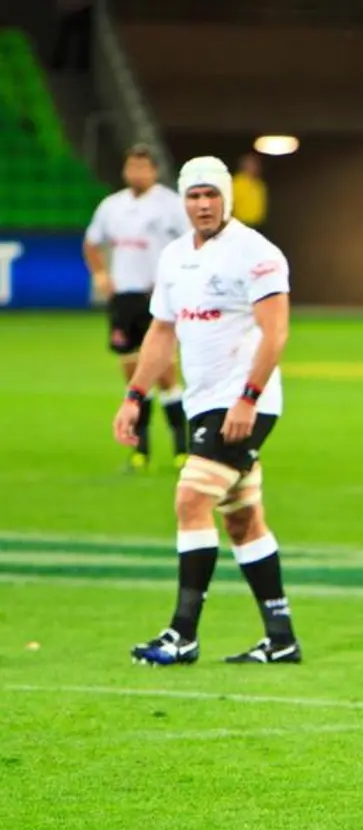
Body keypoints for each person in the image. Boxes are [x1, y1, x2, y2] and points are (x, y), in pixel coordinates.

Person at [112, 156, 302, 666]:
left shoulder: (256, 254)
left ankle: (183, 634)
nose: (202, 204)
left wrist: (248, 398)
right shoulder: (174, 257)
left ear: (227, 198)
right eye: (194, 196)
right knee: (242, 519)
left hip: (243, 403)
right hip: (203, 402)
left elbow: (276, 332)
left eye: (211, 195)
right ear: (184, 200)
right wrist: (135, 397)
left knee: (190, 502)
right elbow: (160, 333)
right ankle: (280, 636)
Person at [84, 144, 190, 472]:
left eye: (143, 168)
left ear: (154, 171)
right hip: (124, 299)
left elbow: (191, 244)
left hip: (157, 297)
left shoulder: (171, 205)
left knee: (164, 373)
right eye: (132, 167)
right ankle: (140, 451)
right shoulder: (111, 206)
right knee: (132, 374)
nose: (136, 173)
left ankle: (182, 448)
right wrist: (101, 273)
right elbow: (91, 242)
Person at [231, 154, 268, 230]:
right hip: (241, 224)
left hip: (259, 225)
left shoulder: (260, 184)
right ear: (244, 166)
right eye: (253, 164)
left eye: (257, 165)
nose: (256, 167)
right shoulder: (235, 183)